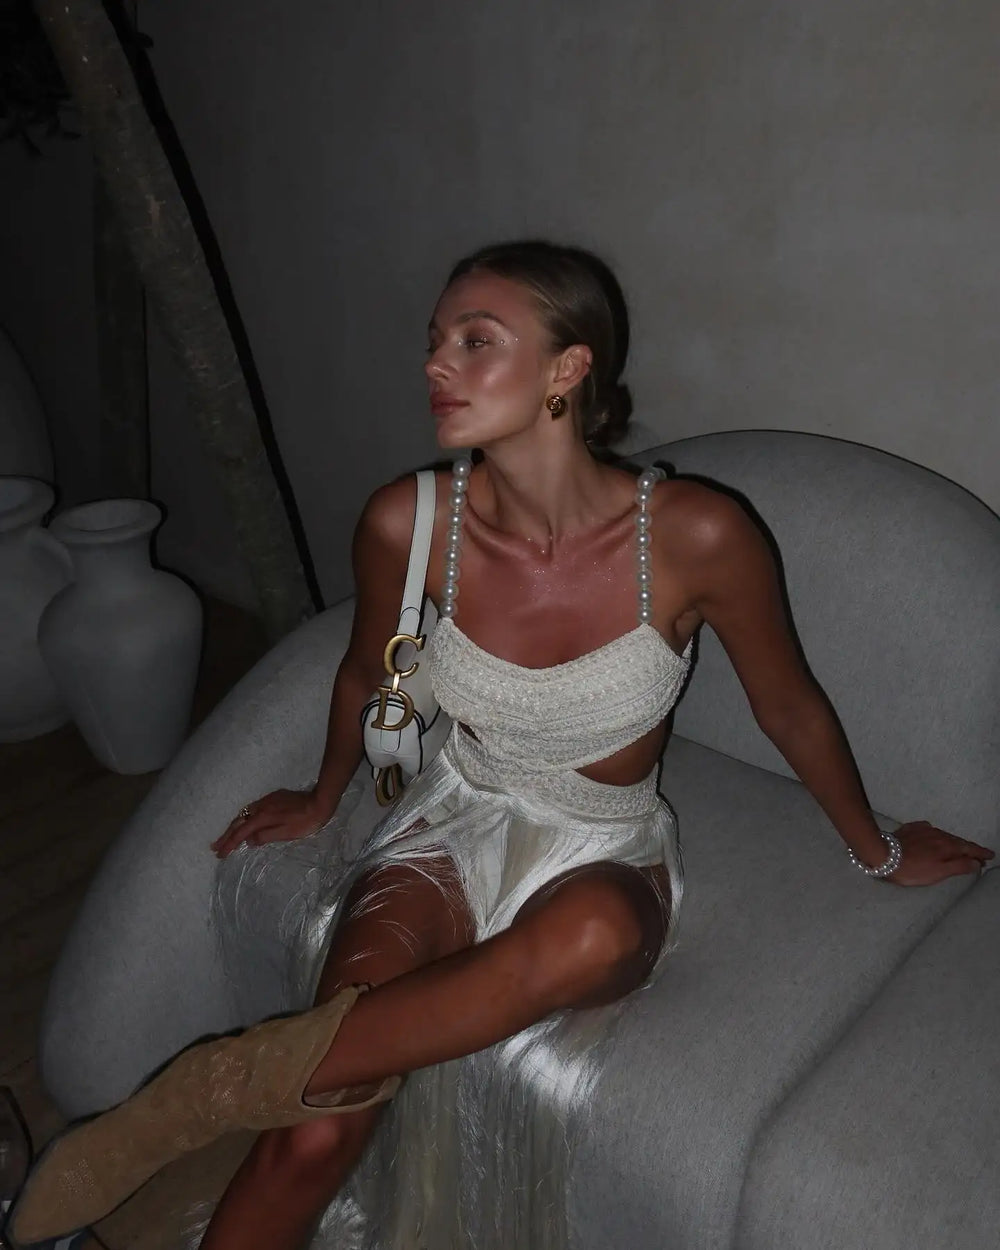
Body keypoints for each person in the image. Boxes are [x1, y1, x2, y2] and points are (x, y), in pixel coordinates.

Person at [13, 240, 992, 1249]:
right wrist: (320, 794)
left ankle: (206, 1087)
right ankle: (204, 1101)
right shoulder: (408, 522)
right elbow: (362, 673)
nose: (436, 363)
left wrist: (878, 848)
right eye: (435, 340)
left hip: (603, 844)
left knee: (594, 934)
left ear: (569, 368)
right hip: (453, 822)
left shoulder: (694, 535)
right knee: (317, 1128)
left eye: (475, 341)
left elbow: (789, 708)